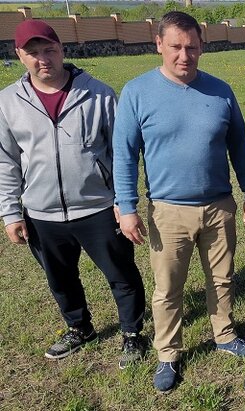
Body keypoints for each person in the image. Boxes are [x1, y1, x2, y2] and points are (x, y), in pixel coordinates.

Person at [112, 11, 245, 392]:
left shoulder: (221, 91)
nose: (183, 56)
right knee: (168, 287)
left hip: (219, 205)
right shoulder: (137, 92)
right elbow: (123, 155)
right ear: (158, 44)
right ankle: (168, 353)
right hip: (168, 211)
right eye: (175, 47)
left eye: (191, 47)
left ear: (202, 47)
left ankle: (224, 334)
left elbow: (240, 148)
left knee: (222, 279)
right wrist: (126, 207)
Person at [0, 20, 147, 368]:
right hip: (41, 213)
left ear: (62, 49)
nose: (42, 59)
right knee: (60, 279)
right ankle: (79, 327)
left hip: (98, 207)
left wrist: (122, 202)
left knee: (122, 274)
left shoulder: (99, 94)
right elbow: (5, 160)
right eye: (32, 53)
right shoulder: (8, 102)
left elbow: (122, 153)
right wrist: (11, 212)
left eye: (48, 50)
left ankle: (132, 334)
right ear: (19, 55)